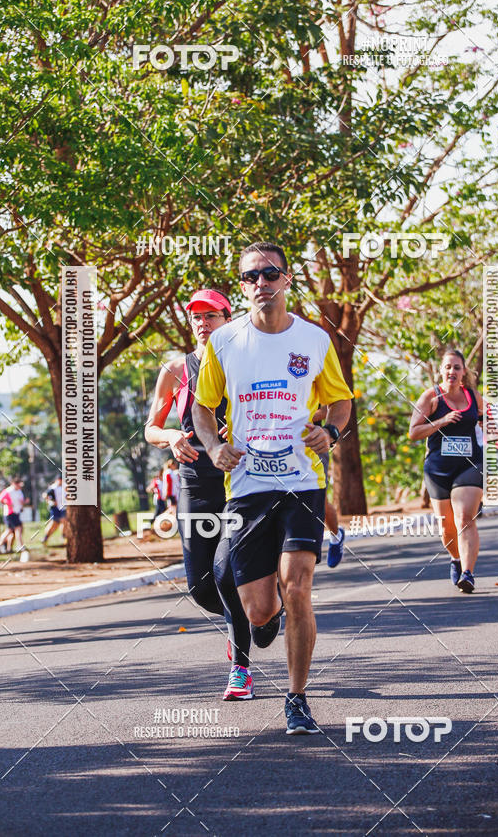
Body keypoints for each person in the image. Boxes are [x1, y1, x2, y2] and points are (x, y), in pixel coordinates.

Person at [192, 243, 353, 735]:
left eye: (269, 274)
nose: (259, 283)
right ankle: (267, 621)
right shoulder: (224, 344)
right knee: (260, 608)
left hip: (303, 481)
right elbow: (203, 407)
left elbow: (340, 402)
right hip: (246, 487)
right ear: (242, 285)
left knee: (298, 586)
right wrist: (211, 446)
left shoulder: (314, 339)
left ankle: (297, 698)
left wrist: (332, 433)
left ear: (286, 279)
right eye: (249, 277)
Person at [145, 288, 254, 700]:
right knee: (201, 585)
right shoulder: (176, 369)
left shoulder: (246, 364)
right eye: (196, 318)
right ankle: (248, 618)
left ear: (229, 319)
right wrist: (171, 435)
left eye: (211, 315)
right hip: (194, 479)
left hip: (242, 478)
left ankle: (240, 668)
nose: (203, 323)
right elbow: (150, 427)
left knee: (229, 571)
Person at [409, 349, 484, 593]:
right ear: (441, 370)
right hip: (438, 469)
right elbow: (413, 432)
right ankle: (455, 558)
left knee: (465, 518)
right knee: (447, 528)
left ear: (464, 372)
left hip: (470, 465)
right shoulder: (431, 397)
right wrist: (441, 421)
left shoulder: (473, 395)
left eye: (457, 367)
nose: (452, 371)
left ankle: (468, 573)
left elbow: (487, 420)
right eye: (448, 367)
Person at [313, 406, 345, 567]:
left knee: (319, 501)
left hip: (312, 445)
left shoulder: (313, 380)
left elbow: (328, 409)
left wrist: (293, 417)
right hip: (275, 447)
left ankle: (336, 535)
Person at [0, 476, 26, 554]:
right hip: (10, 513)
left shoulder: (19, 491)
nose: (20, 486)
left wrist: (22, 506)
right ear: (14, 484)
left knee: (10, 530)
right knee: (18, 528)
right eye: (18, 485)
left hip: (16, 513)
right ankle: (20, 546)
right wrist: (7, 503)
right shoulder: (8, 490)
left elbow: (21, 501)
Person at [42, 475, 66, 544]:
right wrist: (50, 501)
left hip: (63, 508)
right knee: (54, 525)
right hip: (55, 508)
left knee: (64, 521)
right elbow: (45, 495)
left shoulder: (65, 486)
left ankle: (64, 537)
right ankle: (45, 538)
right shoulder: (53, 488)